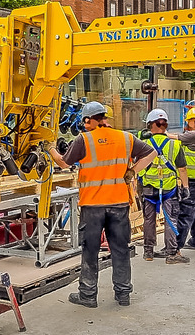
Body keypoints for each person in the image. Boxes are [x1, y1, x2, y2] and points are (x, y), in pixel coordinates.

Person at [48, 101, 155, 307]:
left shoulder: (84, 140)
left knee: (90, 250)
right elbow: (151, 153)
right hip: (119, 203)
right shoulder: (125, 138)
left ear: (88, 120)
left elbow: (63, 163)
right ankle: (123, 294)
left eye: (85, 121)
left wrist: (51, 149)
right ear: (104, 118)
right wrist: (133, 170)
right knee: (120, 249)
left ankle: (88, 296)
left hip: (93, 205)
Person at [139, 109, 190, 264]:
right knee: (170, 220)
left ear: (149, 126)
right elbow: (182, 169)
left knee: (149, 220)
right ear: (165, 125)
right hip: (169, 189)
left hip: (148, 188)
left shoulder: (143, 144)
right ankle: (171, 253)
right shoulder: (174, 145)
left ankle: (148, 251)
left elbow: (137, 165)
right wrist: (185, 187)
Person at [166, 106, 195, 253]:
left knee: (185, 212)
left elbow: (173, 137)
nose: (187, 125)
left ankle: (175, 247)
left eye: (190, 122)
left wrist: (159, 132)